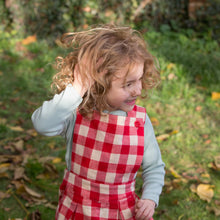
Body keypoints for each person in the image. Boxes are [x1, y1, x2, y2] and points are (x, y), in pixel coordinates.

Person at [31, 24, 165, 220]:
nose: (138, 90)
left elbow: (154, 167)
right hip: (77, 210)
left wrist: (150, 198)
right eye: (128, 84)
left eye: (140, 79)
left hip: (122, 213)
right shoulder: (77, 113)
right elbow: (42, 125)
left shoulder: (139, 122)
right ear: (98, 84)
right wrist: (77, 89)